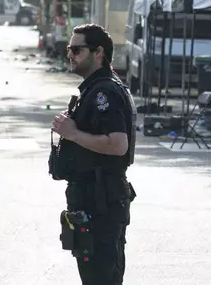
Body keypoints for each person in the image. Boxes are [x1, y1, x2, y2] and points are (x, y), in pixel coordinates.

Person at [49, 24, 137, 285]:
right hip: (92, 199)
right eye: (69, 49)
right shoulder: (94, 89)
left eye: (77, 49)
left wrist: (73, 133)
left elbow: (118, 144)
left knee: (101, 277)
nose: (70, 54)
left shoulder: (104, 92)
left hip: (101, 202)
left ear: (98, 52)